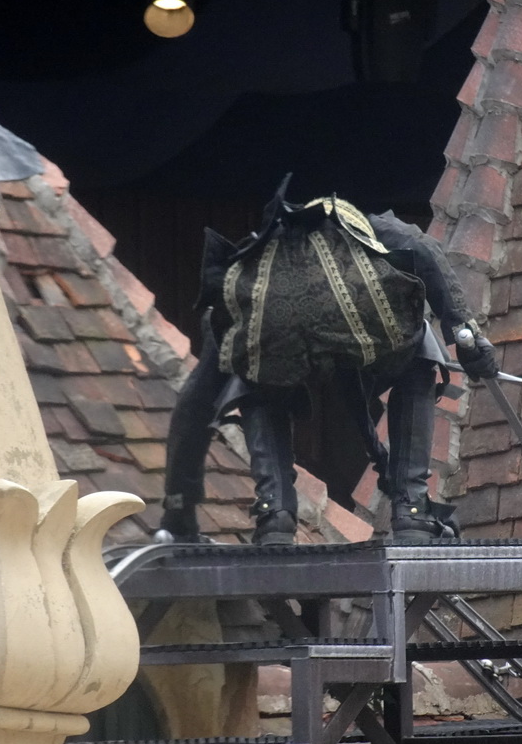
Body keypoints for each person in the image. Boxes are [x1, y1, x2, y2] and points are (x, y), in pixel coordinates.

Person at [156, 179, 498, 546]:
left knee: (253, 377)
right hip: (361, 316)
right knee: (418, 346)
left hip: (270, 331)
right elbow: (424, 248)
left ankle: (275, 513)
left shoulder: (249, 291)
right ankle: (411, 509)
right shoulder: (368, 231)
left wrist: (178, 514)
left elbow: (191, 411)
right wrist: (466, 335)